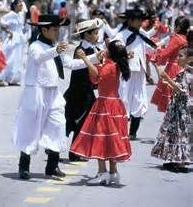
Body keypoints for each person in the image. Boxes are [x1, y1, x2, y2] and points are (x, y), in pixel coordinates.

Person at [13, 15, 100, 180]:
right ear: (44, 30)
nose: (57, 32)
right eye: (54, 29)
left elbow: (72, 64)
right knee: (30, 130)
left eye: (58, 29)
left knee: (58, 126)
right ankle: (23, 167)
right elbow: (39, 57)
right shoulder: (35, 46)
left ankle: (52, 167)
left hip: (53, 93)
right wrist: (55, 50)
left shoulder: (54, 48)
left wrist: (95, 57)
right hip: (36, 92)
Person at [70, 40, 132, 186]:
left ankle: (102, 172)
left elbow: (97, 76)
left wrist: (85, 58)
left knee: (101, 137)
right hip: (115, 104)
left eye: (107, 48)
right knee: (111, 138)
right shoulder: (115, 65)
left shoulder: (110, 66)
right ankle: (113, 172)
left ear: (111, 52)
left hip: (105, 105)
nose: (104, 49)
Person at [113, 8, 157, 140]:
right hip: (127, 70)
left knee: (139, 99)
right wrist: (125, 53)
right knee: (124, 97)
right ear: (130, 21)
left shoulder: (142, 33)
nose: (140, 23)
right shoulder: (122, 35)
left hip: (140, 70)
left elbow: (150, 47)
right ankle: (121, 130)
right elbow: (114, 47)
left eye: (141, 20)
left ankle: (133, 132)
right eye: (138, 20)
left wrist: (164, 43)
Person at [64, 18, 103, 161]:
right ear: (86, 35)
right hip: (79, 91)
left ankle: (74, 152)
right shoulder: (81, 50)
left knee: (80, 122)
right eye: (95, 33)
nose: (97, 36)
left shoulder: (94, 48)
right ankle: (62, 150)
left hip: (87, 91)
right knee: (73, 122)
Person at [151, 47, 193, 173]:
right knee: (174, 133)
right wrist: (159, 69)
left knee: (181, 134)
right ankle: (175, 160)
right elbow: (172, 85)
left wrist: (168, 79)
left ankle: (181, 163)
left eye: (181, 56)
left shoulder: (190, 74)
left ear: (190, 59)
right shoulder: (182, 72)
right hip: (176, 107)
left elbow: (183, 91)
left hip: (183, 109)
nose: (178, 58)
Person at [149, 16, 190, 112]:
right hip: (184, 68)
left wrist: (157, 52)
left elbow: (166, 53)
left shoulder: (176, 38)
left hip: (173, 69)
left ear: (178, 27)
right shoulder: (186, 39)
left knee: (171, 102)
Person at [0, 0, 27, 86]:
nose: (21, 7)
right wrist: (9, 32)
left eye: (21, 5)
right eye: (20, 5)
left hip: (19, 40)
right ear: (14, 6)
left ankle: (12, 79)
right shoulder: (10, 15)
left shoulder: (20, 15)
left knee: (17, 60)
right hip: (12, 39)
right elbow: (2, 23)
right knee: (9, 59)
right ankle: (2, 78)